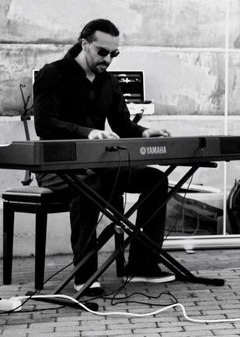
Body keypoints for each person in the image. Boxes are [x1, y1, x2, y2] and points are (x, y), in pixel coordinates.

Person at [34, 19, 174, 294]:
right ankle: (85, 275)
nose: (108, 60)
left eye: (114, 54)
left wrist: (144, 133)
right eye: (102, 52)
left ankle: (142, 265)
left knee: (155, 180)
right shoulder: (53, 74)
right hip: (56, 167)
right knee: (88, 183)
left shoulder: (109, 82)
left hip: (98, 166)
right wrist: (87, 133)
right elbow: (44, 123)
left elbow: (122, 124)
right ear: (84, 44)